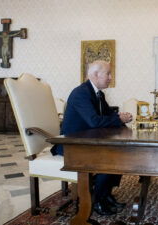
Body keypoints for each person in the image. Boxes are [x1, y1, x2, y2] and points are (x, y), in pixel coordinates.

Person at [51, 60, 133, 216]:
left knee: (120, 154)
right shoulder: (81, 93)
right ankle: (97, 200)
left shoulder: (98, 93)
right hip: (72, 145)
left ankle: (106, 195)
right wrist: (118, 120)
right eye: (108, 73)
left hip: (86, 142)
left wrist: (120, 116)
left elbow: (108, 114)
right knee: (109, 160)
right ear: (96, 74)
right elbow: (94, 121)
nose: (110, 77)